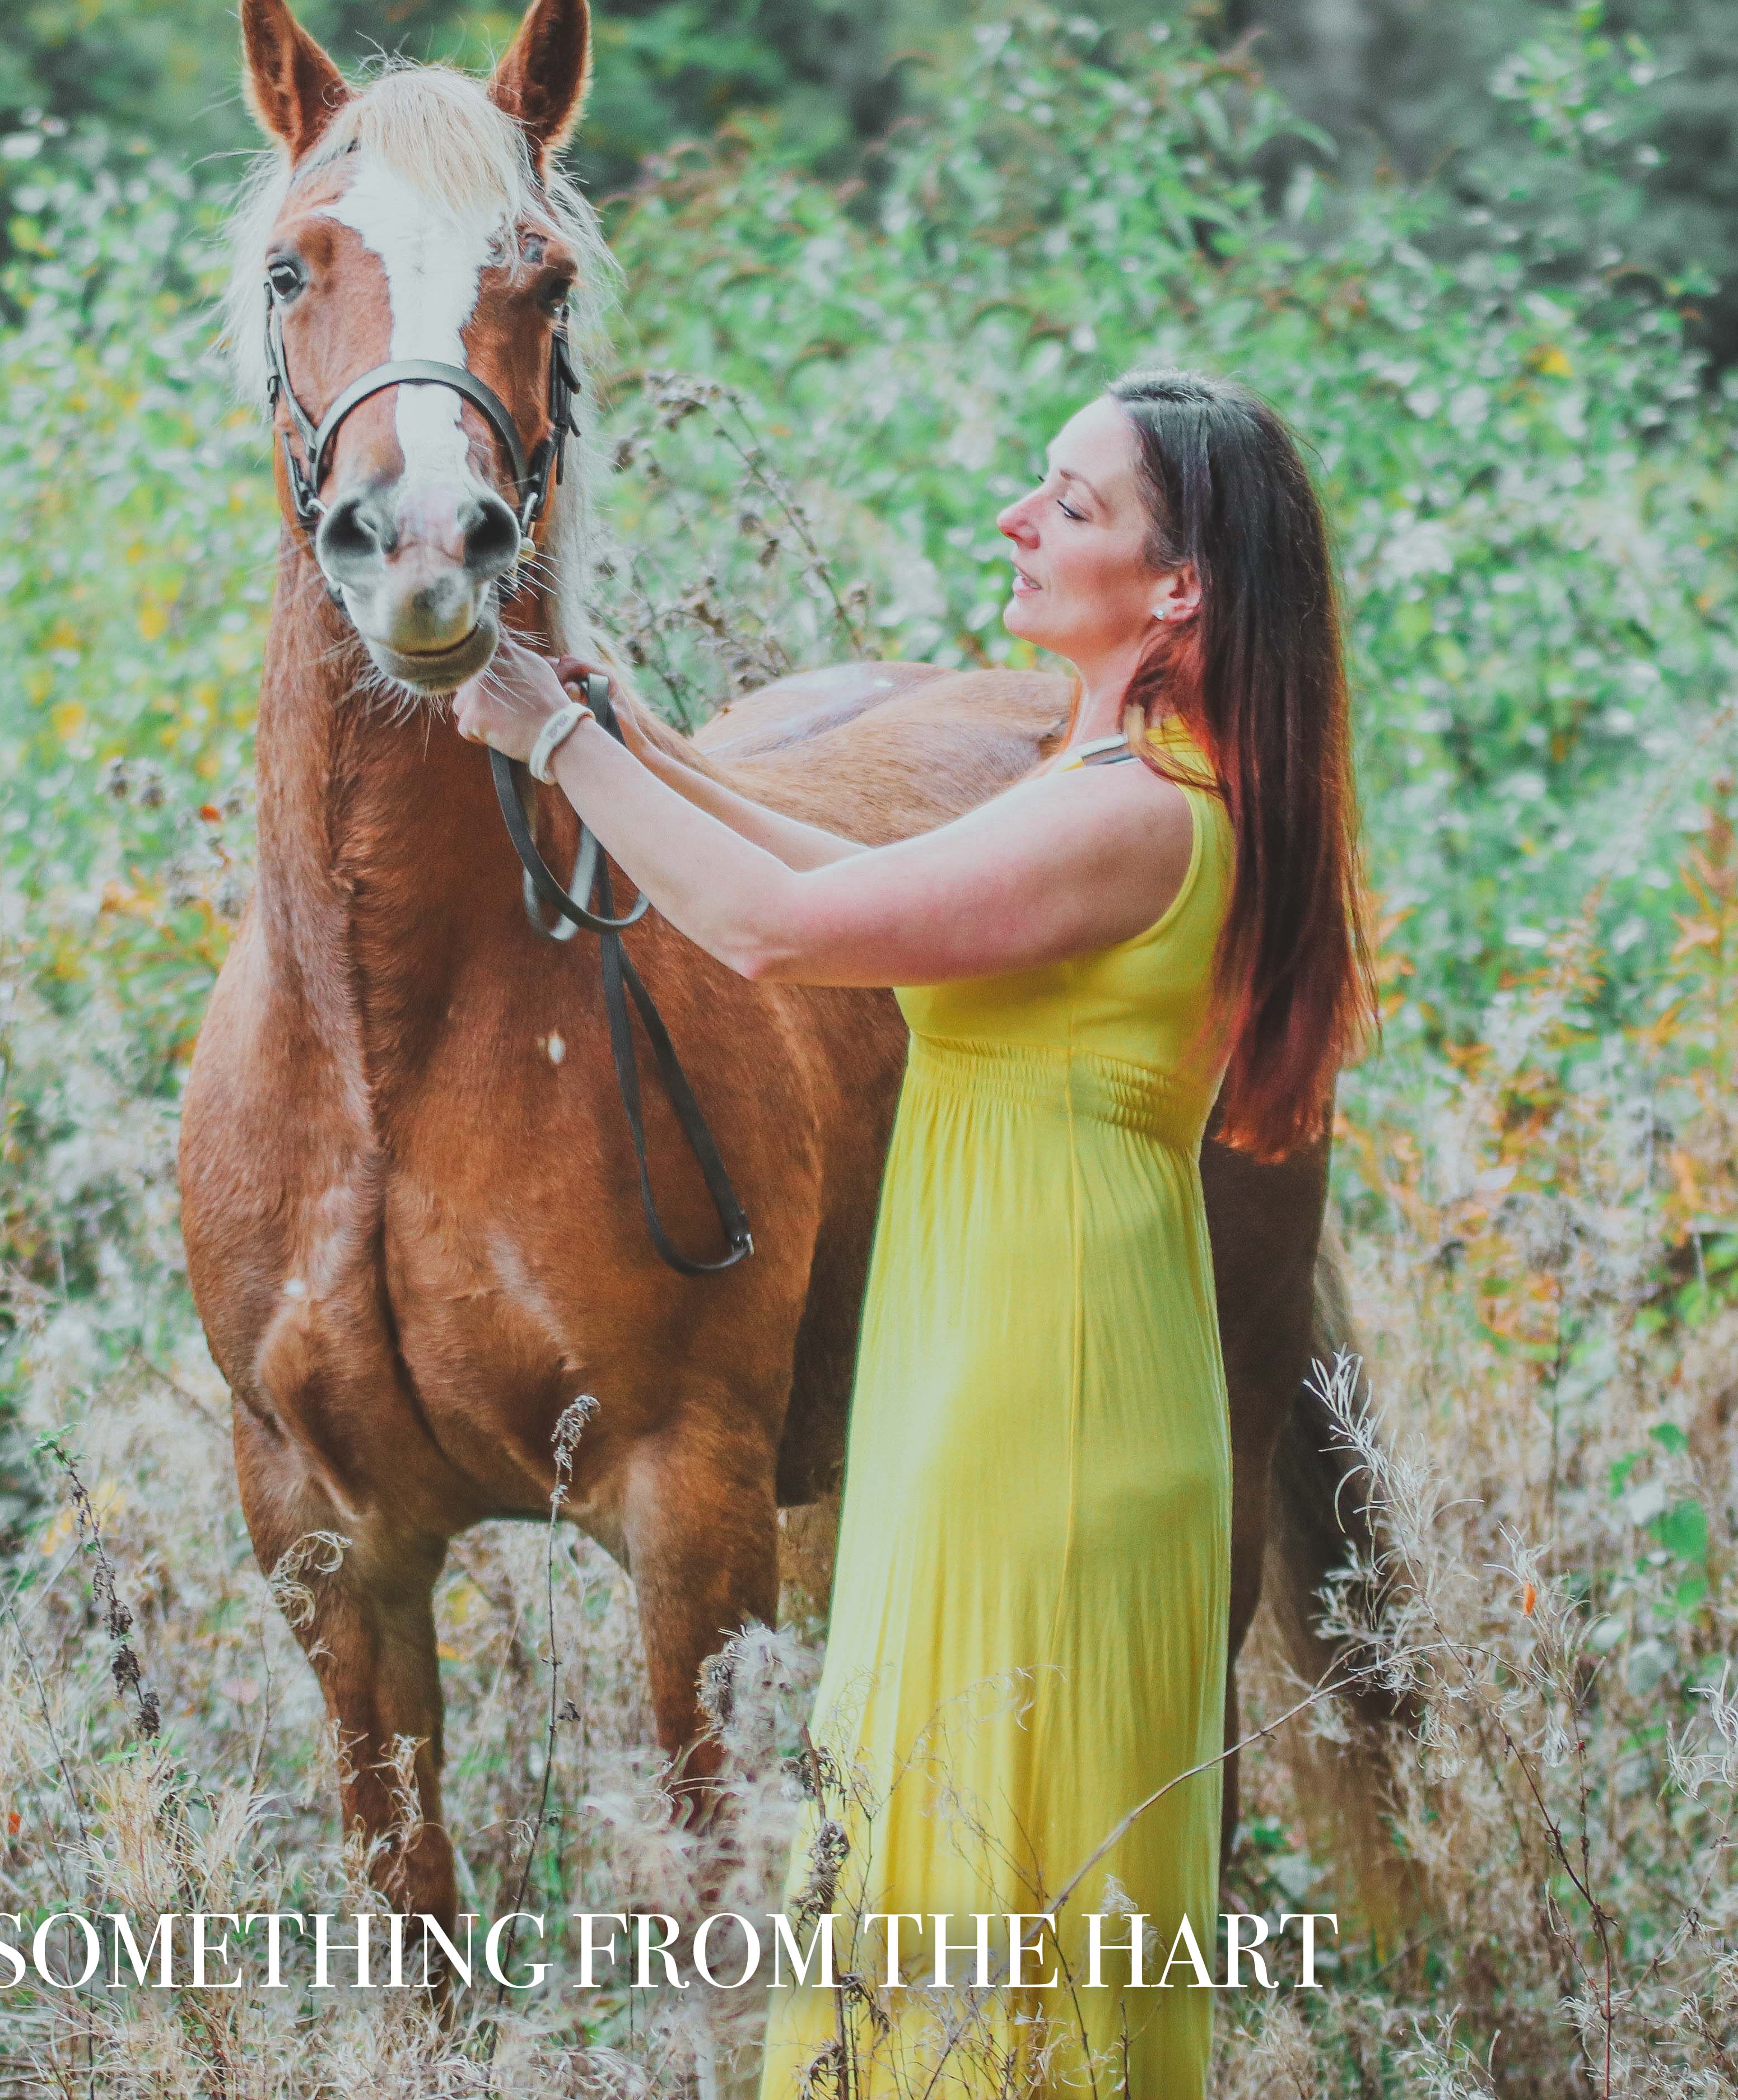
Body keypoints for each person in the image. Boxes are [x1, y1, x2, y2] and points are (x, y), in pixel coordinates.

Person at [449, 368, 1373, 2098]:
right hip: (993, 1368)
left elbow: (781, 933)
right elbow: (832, 869)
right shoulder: (1101, 766)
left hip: (1052, 1395)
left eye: (1072, 506)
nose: (1019, 519)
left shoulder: (1140, 810)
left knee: (994, 1864)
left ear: (1179, 588)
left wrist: (554, 745)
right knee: (938, 1854)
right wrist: (634, 731)